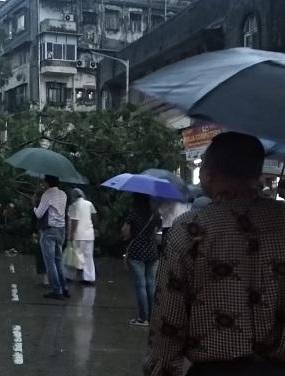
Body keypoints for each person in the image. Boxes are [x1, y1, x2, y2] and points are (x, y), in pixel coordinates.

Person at [145, 132, 285, 376]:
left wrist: (163, 367)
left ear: (208, 174)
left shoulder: (191, 228)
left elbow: (169, 315)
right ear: (256, 174)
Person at [121, 193, 161, 327]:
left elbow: (125, 233)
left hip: (137, 252)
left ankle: (142, 318)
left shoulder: (133, 213)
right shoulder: (155, 213)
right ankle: (152, 317)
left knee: (140, 286)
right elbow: (155, 233)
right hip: (152, 252)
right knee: (151, 284)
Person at [34, 175, 70, 300]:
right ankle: (64, 288)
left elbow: (39, 214)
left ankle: (57, 290)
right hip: (61, 230)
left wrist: (34, 206)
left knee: (50, 263)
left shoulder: (47, 195)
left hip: (49, 231)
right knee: (58, 261)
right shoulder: (63, 194)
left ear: (47, 182)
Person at [66, 188, 98, 285]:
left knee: (74, 256)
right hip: (89, 234)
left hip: (78, 235)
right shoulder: (89, 204)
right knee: (88, 257)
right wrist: (94, 227)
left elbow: (74, 221)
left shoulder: (73, 206)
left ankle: (69, 276)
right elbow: (95, 216)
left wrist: (71, 234)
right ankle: (89, 278)